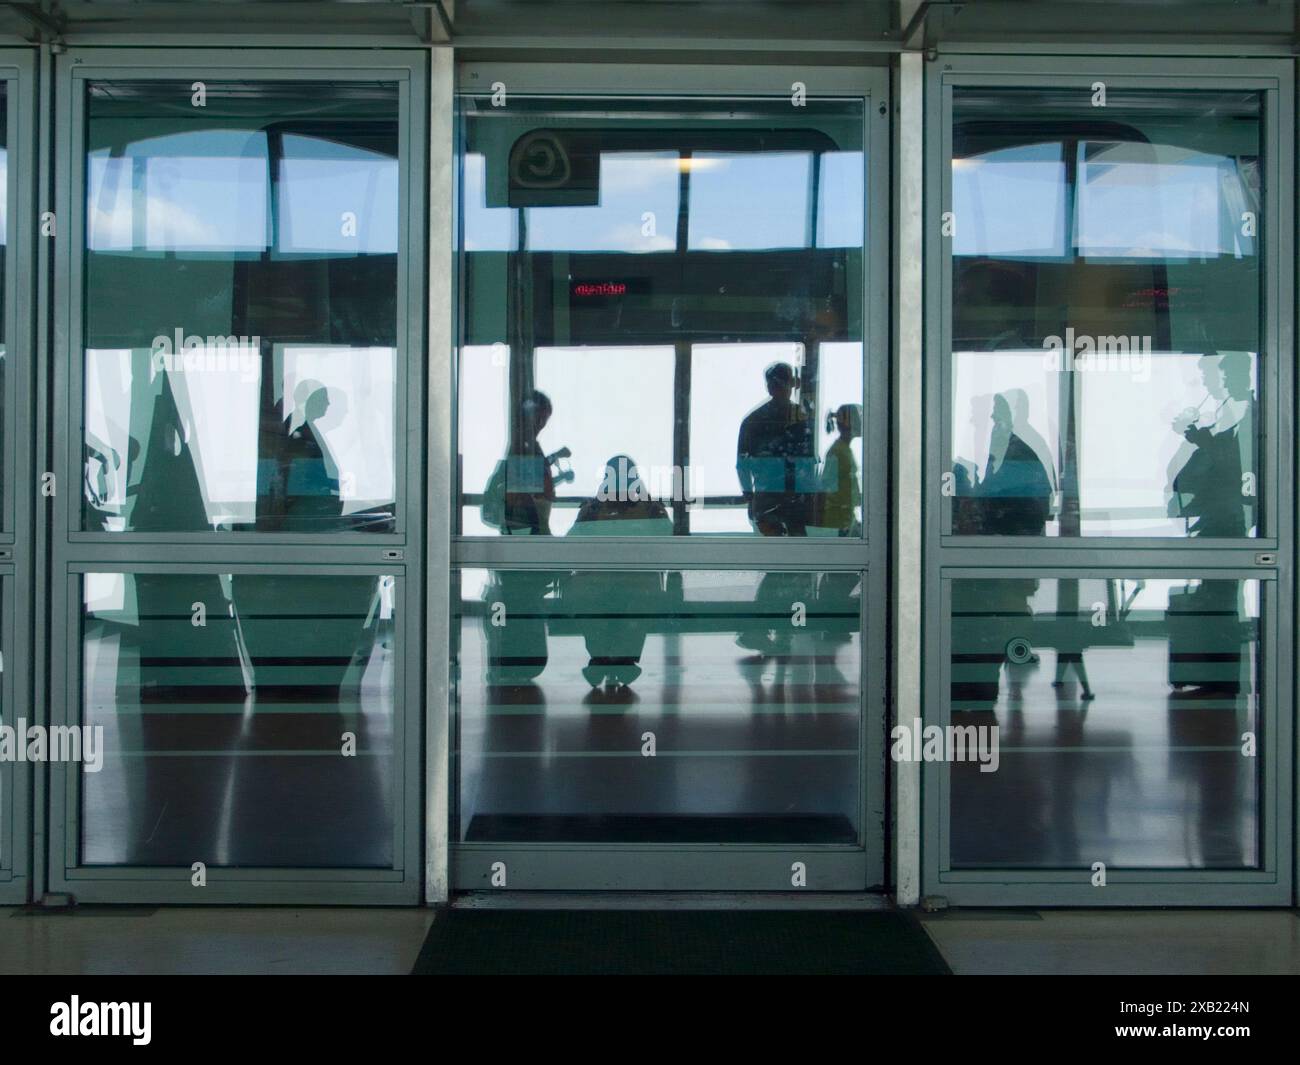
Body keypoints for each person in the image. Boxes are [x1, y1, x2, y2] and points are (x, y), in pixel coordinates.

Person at [564, 456, 671, 689]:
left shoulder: (593, 508)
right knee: (632, 600)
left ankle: (602, 657)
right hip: (630, 581)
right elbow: (668, 539)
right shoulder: (651, 508)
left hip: (606, 582)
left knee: (592, 598)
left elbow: (571, 542)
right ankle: (620, 658)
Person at [735, 362, 816, 537]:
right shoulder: (800, 418)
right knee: (795, 555)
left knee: (773, 555)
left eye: (779, 384)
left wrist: (751, 497)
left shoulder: (754, 420)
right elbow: (808, 462)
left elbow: (742, 465)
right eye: (776, 384)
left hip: (776, 499)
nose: (778, 388)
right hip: (785, 499)